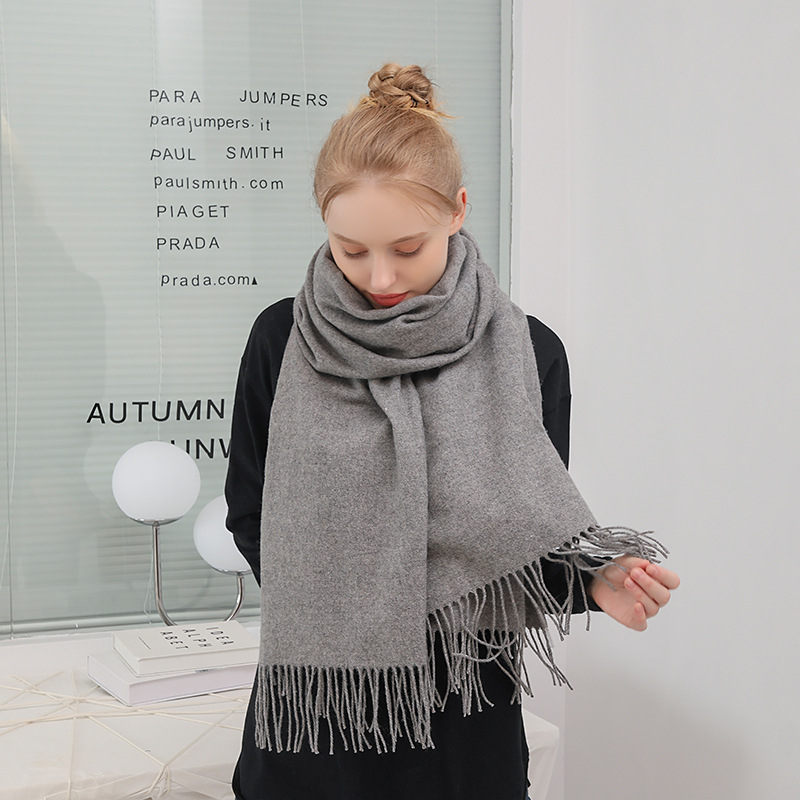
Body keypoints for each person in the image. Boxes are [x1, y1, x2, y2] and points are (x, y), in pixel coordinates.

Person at [225, 63, 680, 800]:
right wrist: (359, 613)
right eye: (350, 249)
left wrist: (595, 581)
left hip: (463, 730)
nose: (379, 277)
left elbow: (525, 540)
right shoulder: (284, 340)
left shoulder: (529, 352)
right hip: (315, 727)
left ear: (458, 210)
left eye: (407, 248)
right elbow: (251, 515)